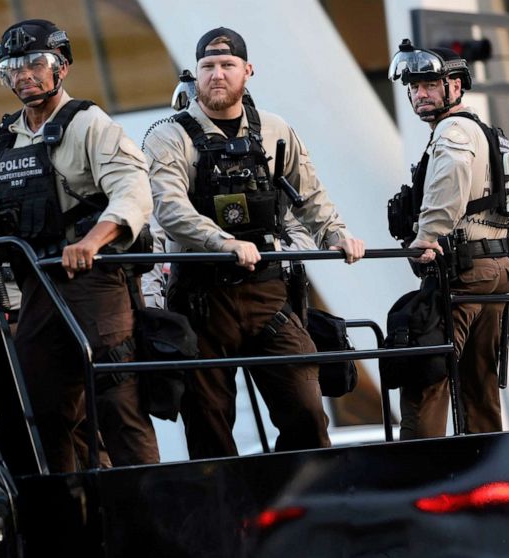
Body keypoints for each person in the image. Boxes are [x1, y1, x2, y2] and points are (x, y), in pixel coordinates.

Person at [0, 19, 158, 472]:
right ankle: (74, 509)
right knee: (44, 410)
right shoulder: (1, 140)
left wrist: (91, 241)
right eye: (12, 68)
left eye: (35, 64)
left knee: (119, 407)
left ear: (61, 68)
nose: (23, 75)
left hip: (94, 282)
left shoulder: (90, 124)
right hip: (37, 287)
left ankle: (150, 512)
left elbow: (133, 192)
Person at [143, 27, 366, 459]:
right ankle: (232, 520)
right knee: (209, 427)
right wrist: (222, 242)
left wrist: (336, 234)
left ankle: (292, 508)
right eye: (208, 66)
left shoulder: (276, 130)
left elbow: (310, 195)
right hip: (200, 297)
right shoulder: (167, 136)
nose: (217, 75)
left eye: (227, 65)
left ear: (247, 71)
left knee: (307, 414)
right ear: (197, 74)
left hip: (269, 294)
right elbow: (169, 208)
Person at [387, 40, 509, 438]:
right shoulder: (488, 134)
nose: (420, 94)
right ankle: (487, 474)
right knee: (479, 381)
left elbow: (451, 179)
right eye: (414, 87)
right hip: (496, 272)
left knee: (427, 375)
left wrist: (427, 237)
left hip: (463, 270)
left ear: (456, 86)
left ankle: (420, 473)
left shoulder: (453, 132)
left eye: (429, 84)